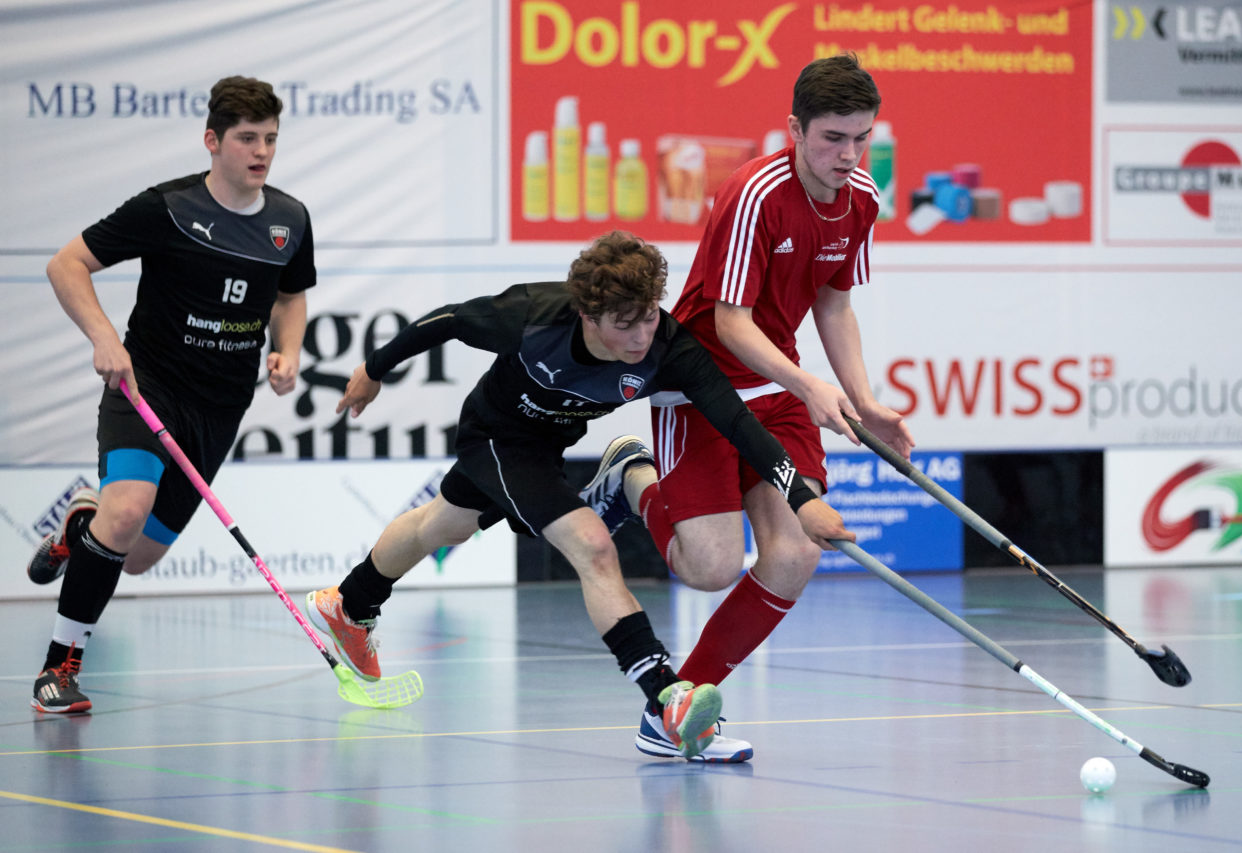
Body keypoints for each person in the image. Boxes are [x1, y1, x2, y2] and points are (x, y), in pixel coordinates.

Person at [306, 230, 849, 762]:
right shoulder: (533, 315)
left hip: (547, 447)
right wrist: (373, 370)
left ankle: (350, 603)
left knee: (442, 526)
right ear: (588, 316)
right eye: (624, 325)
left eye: (649, 317)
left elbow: (737, 422)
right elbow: (447, 320)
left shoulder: (670, 347)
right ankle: (666, 697)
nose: (640, 337)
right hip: (494, 437)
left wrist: (802, 501)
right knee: (592, 545)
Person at [580, 53, 915, 760]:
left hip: (777, 389)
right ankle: (632, 476)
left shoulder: (862, 196)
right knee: (709, 567)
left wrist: (863, 400)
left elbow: (834, 303)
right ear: (795, 129)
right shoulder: (755, 193)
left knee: (795, 553)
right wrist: (810, 385)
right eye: (832, 138)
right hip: (702, 385)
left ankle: (673, 713)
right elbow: (730, 323)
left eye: (861, 138)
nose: (849, 155)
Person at [28, 76, 315, 714]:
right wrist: (105, 339)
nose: (261, 151)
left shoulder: (290, 219)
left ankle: (82, 525)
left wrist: (288, 349)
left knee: (136, 557)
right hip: (147, 386)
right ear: (212, 140)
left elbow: (290, 296)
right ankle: (58, 667)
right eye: (247, 138)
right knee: (127, 512)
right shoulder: (168, 208)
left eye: (270, 139)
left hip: (220, 406)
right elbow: (65, 264)